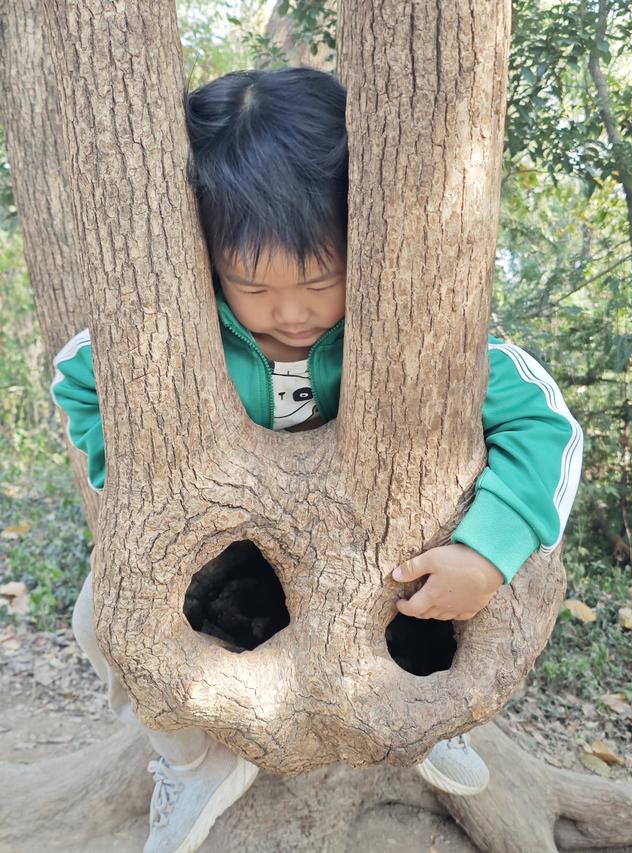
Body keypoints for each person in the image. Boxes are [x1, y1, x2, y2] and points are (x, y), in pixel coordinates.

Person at [50, 66, 583, 853]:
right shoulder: (174, 330)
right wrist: (134, 483)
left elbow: (548, 425)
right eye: (251, 286)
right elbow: (77, 377)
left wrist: (489, 549)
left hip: (374, 559)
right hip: (230, 553)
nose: (290, 312)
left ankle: (425, 719)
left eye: (320, 279)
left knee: (431, 592)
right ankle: (191, 761)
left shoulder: (418, 330)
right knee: (100, 621)